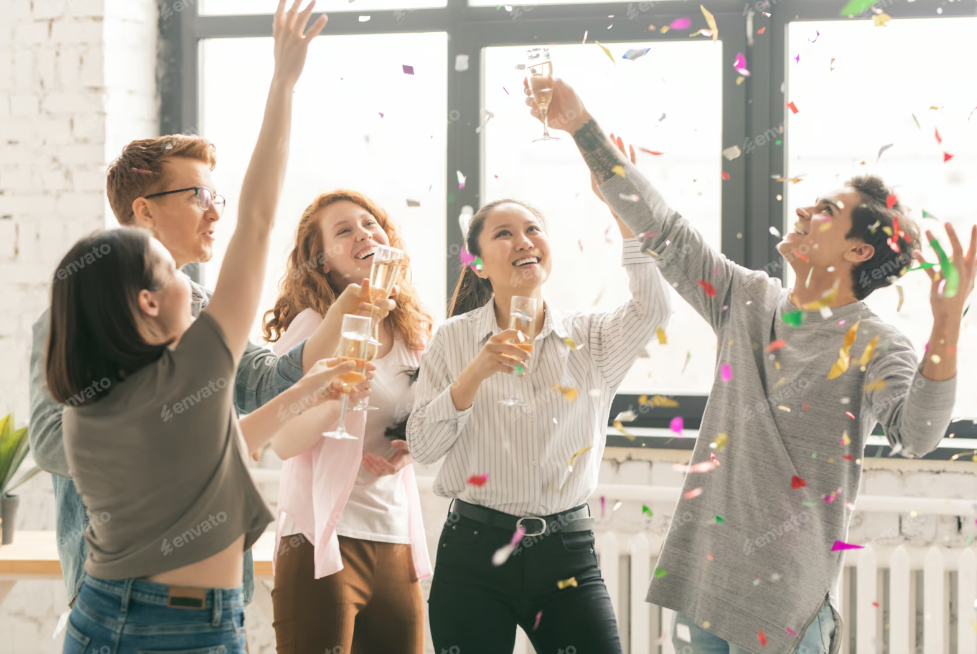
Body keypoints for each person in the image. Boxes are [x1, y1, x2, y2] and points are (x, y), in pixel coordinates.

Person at [526, 77, 975, 654]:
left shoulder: (877, 343)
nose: (805, 209)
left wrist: (944, 326)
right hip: (702, 588)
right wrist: (581, 126)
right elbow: (666, 230)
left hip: (786, 606)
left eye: (828, 211)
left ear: (858, 251)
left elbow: (917, 436)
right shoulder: (747, 299)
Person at [27, 0, 369, 617]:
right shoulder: (76, 315)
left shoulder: (202, 307)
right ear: (144, 211)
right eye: (198, 195)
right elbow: (53, 441)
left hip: (214, 603)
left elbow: (265, 383)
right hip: (120, 597)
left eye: (219, 194)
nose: (218, 211)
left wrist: (344, 315)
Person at [407, 183, 672, 653]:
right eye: (505, 234)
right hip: (473, 553)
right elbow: (423, 448)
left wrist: (621, 207)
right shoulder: (452, 339)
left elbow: (654, 307)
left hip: (566, 553)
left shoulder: (593, 337)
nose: (524, 240)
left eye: (533, 230)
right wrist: (474, 374)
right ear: (480, 264)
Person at [263, 190, 433, 654]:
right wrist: (335, 404)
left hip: (393, 537)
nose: (364, 233)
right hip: (321, 539)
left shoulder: (413, 334)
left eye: (370, 223)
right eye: (344, 230)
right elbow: (282, 442)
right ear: (321, 262)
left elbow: (422, 420)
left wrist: (410, 448)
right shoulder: (311, 330)